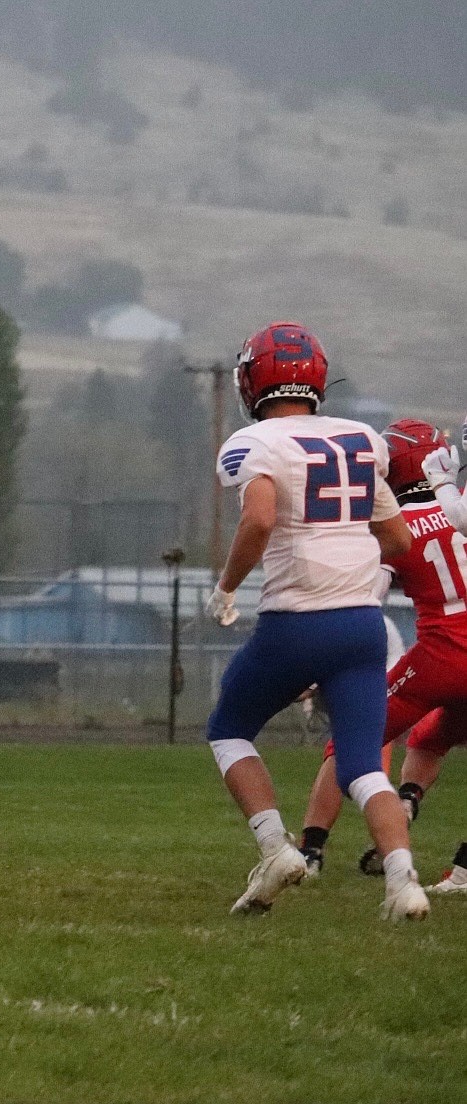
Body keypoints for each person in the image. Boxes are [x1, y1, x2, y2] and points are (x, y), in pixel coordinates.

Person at [204, 321, 427, 921]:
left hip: (297, 621)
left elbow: (257, 521)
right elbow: (397, 538)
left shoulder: (259, 442)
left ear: (253, 380)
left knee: (228, 729)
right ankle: (405, 882)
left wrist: (226, 587)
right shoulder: (360, 438)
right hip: (361, 625)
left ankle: (276, 848)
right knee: (361, 763)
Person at [298, 419, 467, 879]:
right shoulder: (461, 508)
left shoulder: (396, 527)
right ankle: (409, 801)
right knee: (431, 737)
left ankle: (310, 851)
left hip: (441, 654)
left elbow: (367, 599)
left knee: (353, 738)